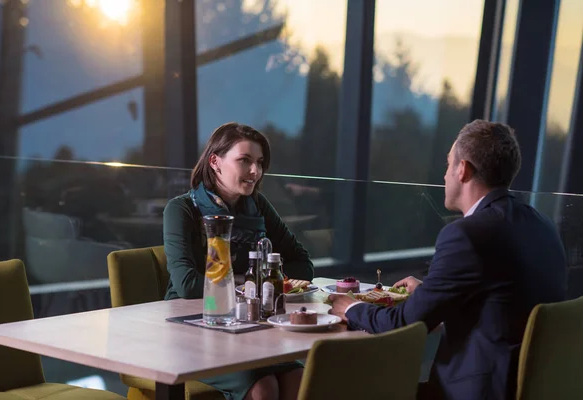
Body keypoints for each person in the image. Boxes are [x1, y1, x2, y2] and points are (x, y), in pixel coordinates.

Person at [328, 120, 567, 400]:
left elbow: (405, 323)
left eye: (447, 165)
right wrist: (428, 293)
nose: (444, 176)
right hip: (528, 388)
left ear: (463, 170)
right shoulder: (541, 224)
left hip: (473, 392)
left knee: (344, 389)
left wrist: (352, 308)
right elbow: (499, 302)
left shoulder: (466, 235)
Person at [163, 122, 314, 400]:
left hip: (249, 328)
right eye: (244, 161)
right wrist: (256, 283)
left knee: (299, 378)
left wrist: (252, 284)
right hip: (192, 330)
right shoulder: (182, 209)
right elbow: (187, 285)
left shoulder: (257, 205)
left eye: (259, 162)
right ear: (215, 162)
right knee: (263, 386)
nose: (255, 171)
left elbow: (303, 265)